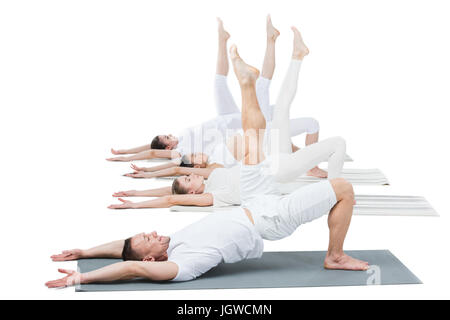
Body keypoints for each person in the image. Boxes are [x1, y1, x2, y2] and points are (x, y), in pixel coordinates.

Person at [46, 30, 368, 288]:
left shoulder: (170, 242)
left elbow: (125, 248)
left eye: (148, 233)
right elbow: (131, 265)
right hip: (270, 220)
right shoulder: (181, 264)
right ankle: (335, 255)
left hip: (252, 201)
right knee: (343, 188)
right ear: (151, 261)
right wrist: (82, 276)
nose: (156, 233)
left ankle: (247, 84)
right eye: (151, 240)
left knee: (253, 141)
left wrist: (86, 251)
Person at [108, 26, 345, 210]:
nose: (191, 172)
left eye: (190, 173)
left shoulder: (211, 170)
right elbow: (171, 196)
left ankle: (297, 55)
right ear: (193, 193)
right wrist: (137, 198)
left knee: (281, 109)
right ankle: (335, 190)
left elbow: (172, 183)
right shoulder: (213, 194)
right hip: (274, 169)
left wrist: (137, 192)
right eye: (191, 177)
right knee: (265, 131)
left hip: (269, 157)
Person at [106, 16, 323, 172]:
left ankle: (223, 39)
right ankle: (271, 41)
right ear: (170, 147)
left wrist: (126, 151)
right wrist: (128, 157)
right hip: (242, 127)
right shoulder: (181, 152)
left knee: (219, 82)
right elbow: (153, 153)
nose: (170, 135)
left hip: (226, 119)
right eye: (167, 138)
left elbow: (151, 147)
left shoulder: (179, 138)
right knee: (262, 88)